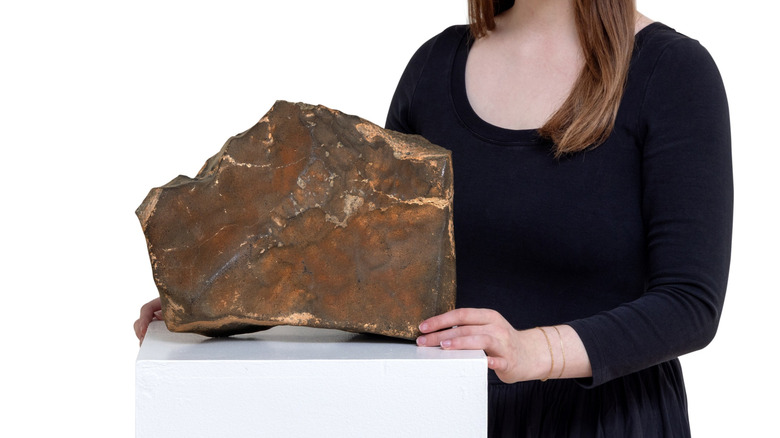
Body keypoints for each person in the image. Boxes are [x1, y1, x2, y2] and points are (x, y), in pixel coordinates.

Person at [136, 0, 732, 435]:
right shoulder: (435, 65)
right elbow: (372, 277)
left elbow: (690, 305)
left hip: (606, 421)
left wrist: (534, 351)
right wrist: (221, 300)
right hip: (442, 414)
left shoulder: (674, 72)